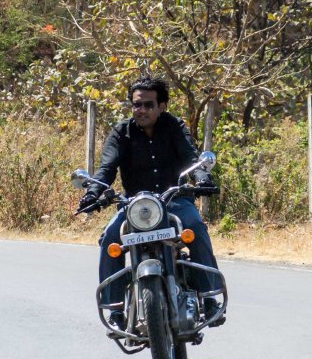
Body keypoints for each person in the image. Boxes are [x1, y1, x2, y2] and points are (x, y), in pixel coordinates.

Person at [78, 75, 223, 326]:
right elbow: (107, 168)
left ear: (161, 106)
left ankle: (210, 297)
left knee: (194, 227)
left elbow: (191, 157)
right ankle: (114, 308)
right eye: (136, 104)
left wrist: (201, 177)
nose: (141, 110)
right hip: (134, 205)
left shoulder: (174, 127)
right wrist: (93, 191)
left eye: (148, 104)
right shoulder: (121, 133)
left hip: (174, 199)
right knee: (111, 236)